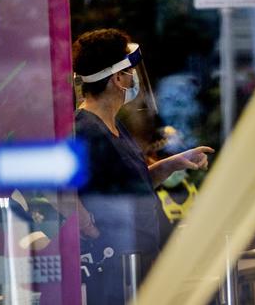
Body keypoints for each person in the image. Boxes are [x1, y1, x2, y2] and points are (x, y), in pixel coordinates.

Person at [72, 28, 214, 304]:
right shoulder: (87, 131)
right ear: (117, 79)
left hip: (140, 260)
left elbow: (129, 185)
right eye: (130, 71)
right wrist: (89, 227)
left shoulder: (114, 126)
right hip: (115, 270)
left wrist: (171, 165)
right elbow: (63, 190)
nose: (134, 78)